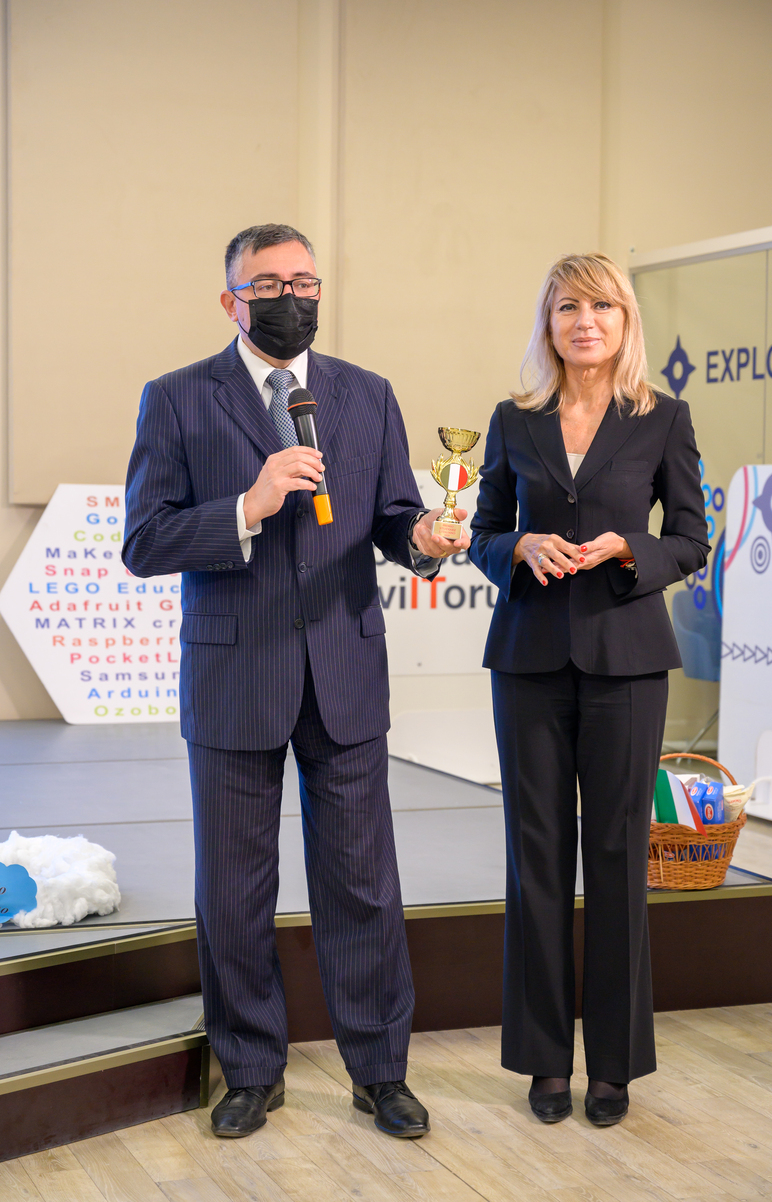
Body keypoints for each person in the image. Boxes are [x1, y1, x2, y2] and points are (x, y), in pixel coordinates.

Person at [123, 223, 467, 1140]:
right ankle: (249, 1071)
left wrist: (424, 540)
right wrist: (247, 504)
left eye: (304, 281)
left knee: (363, 884)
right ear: (230, 300)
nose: (291, 297)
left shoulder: (366, 393)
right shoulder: (177, 398)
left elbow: (394, 514)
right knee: (235, 889)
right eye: (269, 284)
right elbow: (144, 541)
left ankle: (381, 1071)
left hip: (344, 670)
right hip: (235, 676)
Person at [468, 253, 709, 1126]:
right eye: (569, 306)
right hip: (528, 660)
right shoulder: (514, 419)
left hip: (627, 662)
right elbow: (483, 532)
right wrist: (518, 548)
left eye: (602, 306)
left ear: (624, 319)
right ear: (550, 321)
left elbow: (691, 538)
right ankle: (543, 1060)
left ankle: (613, 1065)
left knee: (616, 857)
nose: (585, 322)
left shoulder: (662, 417)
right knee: (534, 858)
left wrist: (629, 550)